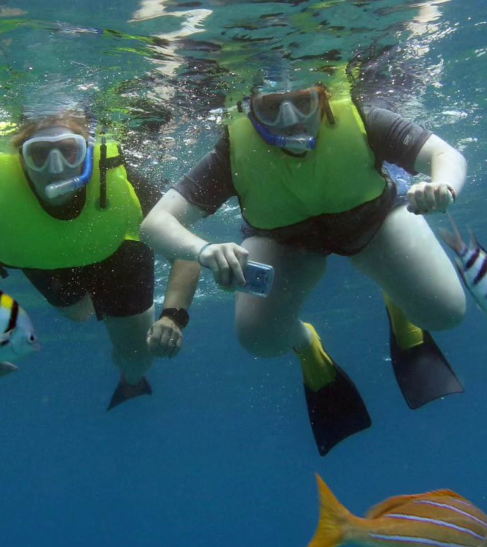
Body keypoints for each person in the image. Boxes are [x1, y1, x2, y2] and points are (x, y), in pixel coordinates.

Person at [140, 77, 468, 455]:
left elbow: (447, 156)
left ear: (323, 96)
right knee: (258, 339)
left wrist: (444, 186)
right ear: (249, 108)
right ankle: (307, 344)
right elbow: (155, 224)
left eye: (302, 102)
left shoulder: (362, 117)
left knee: (446, 312)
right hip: (286, 242)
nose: (289, 119)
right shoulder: (233, 150)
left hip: (374, 222)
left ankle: (398, 293)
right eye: (271, 107)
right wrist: (203, 250)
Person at [0, 111, 200, 407]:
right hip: (47, 258)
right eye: (39, 154)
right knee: (78, 315)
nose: (56, 168)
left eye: (70, 151)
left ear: (88, 153)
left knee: (138, 359)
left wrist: (173, 316)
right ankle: (106, 316)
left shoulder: (125, 182)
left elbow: (187, 253)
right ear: (21, 159)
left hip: (120, 258)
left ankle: (130, 382)